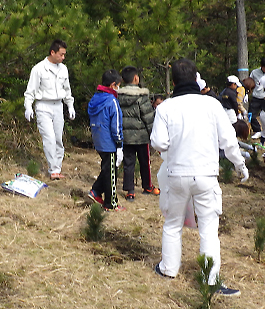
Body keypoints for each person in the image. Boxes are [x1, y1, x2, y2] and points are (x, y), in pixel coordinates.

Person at [150, 58, 248, 296]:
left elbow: (158, 142)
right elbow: (229, 141)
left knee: (172, 224)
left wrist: (171, 150)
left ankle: (169, 269)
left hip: (176, 174)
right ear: (196, 79)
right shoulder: (212, 106)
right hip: (206, 175)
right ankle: (210, 279)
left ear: (173, 82)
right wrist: (240, 165)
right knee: (208, 229)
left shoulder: (165, 108)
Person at [23, 39, 75, 180]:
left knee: (58, 138)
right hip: (43, 106)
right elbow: (30, 91)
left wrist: (70, 105)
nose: (63, 57)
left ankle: (57, 168)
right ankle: (53, 170)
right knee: (49, 138)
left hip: (58, 105)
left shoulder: (63, 69)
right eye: (61, 54)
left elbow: (67, 89)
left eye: (64, 55)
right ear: (53, 52)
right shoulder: (39, 69)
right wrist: (28, 107)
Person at [117, 66, 158, 201]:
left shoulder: (118, 96)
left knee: (129, 163)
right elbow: (148, 117)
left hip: (126, 137)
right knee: (145, 161)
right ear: (136, 78)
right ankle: (147, 186)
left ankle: (130, 191)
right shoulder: (142, 96)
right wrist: (153, 135)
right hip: (141, 137)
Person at [87, 69, 124, 211]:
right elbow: (116, 124)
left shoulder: (95, 99)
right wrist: (119, 143)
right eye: (118, 85)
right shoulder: (112, 101)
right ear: (113, 85)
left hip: (98, 139)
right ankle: (111, 203)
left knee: (108, 169)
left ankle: (95, 191)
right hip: (109, 142)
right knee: (111, 173)